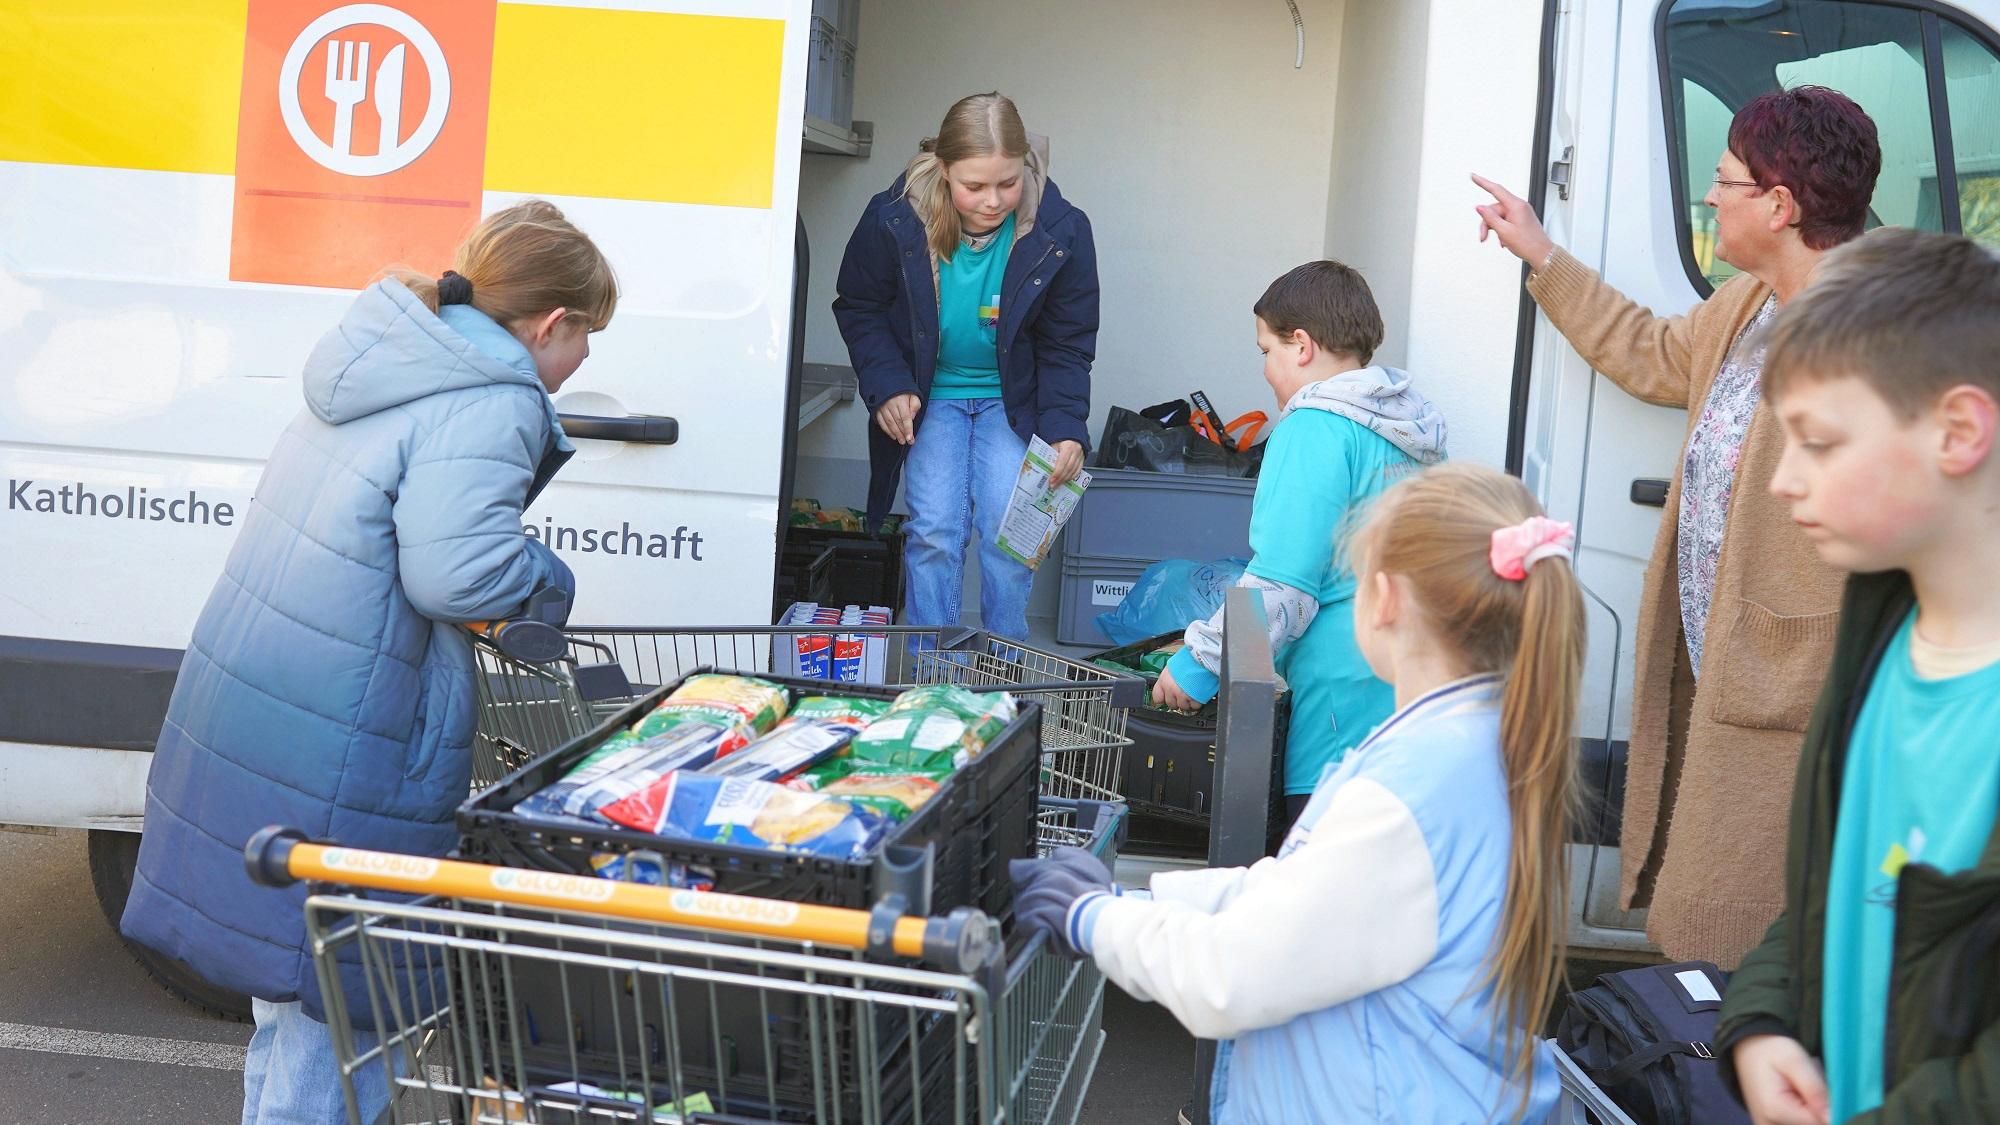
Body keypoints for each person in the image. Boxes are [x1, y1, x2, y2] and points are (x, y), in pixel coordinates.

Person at [119, 200, 618, 1123]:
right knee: (353, 998)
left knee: (289, 979)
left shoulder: (390, 356)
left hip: (268, 695)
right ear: (554, 323)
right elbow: (457, 571)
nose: (586, 360)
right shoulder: (496, 395)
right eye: (590, 335)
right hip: (353, 720)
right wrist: (548, 579)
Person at [1013, 462, 1583, 1123]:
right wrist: (1136, 897)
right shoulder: (1481, 742)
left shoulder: (1410, 789)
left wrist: (1093, 920)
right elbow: (1303, 892)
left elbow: (1230, 975)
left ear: (1387, 597)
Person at [1472, 85, 1881, 967]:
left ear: (1780, 204)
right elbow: (1651, 351)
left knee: (1749, 926)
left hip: (1798, 683)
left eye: (1726, 181)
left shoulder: (1869, 328)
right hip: (1727, 662)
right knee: (1716, 922)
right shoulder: (1747, 306)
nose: (1710, 197)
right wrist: (1541, 252)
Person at [1717, 229, 2000, 1123]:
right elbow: (1837, 885)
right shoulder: (1878, 629)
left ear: (1959, 429)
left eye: (1820, 442)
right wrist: (1760, 1020)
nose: (1782, 483)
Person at [1150, 261, 1445, 821]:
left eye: (1267, 350)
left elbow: (1282, 583)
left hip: (1342, 696)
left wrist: (1197, 665)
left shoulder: (1313, 428)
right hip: (1419, 683)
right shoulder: (1411, 432)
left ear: (1302, 345)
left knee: (1323, 872)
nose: (1265, 369)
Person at [833, 91, 1099, 640]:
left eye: (1008, 182)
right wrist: (887, 386)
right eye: (973, 186)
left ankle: (1003, 667)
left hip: (1014, 401)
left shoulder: (1062, 229)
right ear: (943, 167)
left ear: (1025, 163)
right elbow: (858, 305)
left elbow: (1067, 342)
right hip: (931, 398)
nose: (993, 200)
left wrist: (1066, 426)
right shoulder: (894, 218)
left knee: (1011, 535)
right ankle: (935, 674)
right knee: (934, 531)